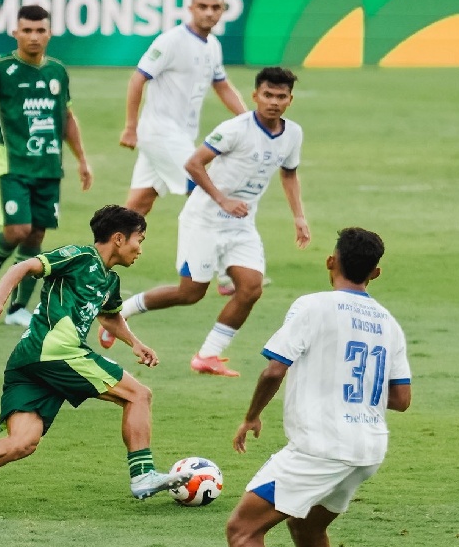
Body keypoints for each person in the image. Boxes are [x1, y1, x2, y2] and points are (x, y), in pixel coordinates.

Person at [0, 205, 190, 510]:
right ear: (119, 238)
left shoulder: (110, 281)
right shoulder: (80, 256)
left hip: (29, 361)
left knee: (24, 442)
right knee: (138, 395)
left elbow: (109, 317)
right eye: (139, 240)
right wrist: (0, 297)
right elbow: (23, 267)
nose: (140, 249)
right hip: (55, 351)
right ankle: (143, 474)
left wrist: (135, 343)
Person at [225, 227, 412, 547]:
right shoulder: (388, 323)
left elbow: (274, 369)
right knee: (307, 529)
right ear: (374, 273)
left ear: (331, 261)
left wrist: (251, 415)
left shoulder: (313, 306)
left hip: (321, 447)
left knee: (243, 529)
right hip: (368, 450)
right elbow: (400, 399)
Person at [99, 67, 310, 378]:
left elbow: (289, 173)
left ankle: (208, 355)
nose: (273, 102)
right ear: (255, 96)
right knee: (190, 293)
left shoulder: (293, 134)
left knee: (251, 288)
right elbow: (193, 163)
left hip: (241, 224)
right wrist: (222, 199)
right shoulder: (235, 129)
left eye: (281, 96)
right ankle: (119, 314)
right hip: (204, 219)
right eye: (267, 95)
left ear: (290, 100)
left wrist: (299, 216)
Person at [0, 4, 93, 328]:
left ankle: (18, 308)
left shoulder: (57, 71)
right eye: (27, 30)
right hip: (11, 166)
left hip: (48, 167)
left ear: (49, 33)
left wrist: (82, 160)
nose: (33, 37)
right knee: (16, 230)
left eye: (40, 30)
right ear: (15, 33)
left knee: (35, 237)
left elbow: (67, 118)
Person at [118, 0, 246, 218]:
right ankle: (219, 251)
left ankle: (102, 252)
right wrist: (130, 127)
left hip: (178, 136)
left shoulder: (213, 45)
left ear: (222, 11)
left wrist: (248, 120)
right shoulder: (171, 41)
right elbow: (138, 79)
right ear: (190, 9)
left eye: (215, 7)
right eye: (203, 7)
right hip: (161, 133)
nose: (209, 13)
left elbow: (222, 86)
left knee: (137, 207)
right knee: (205, 193)